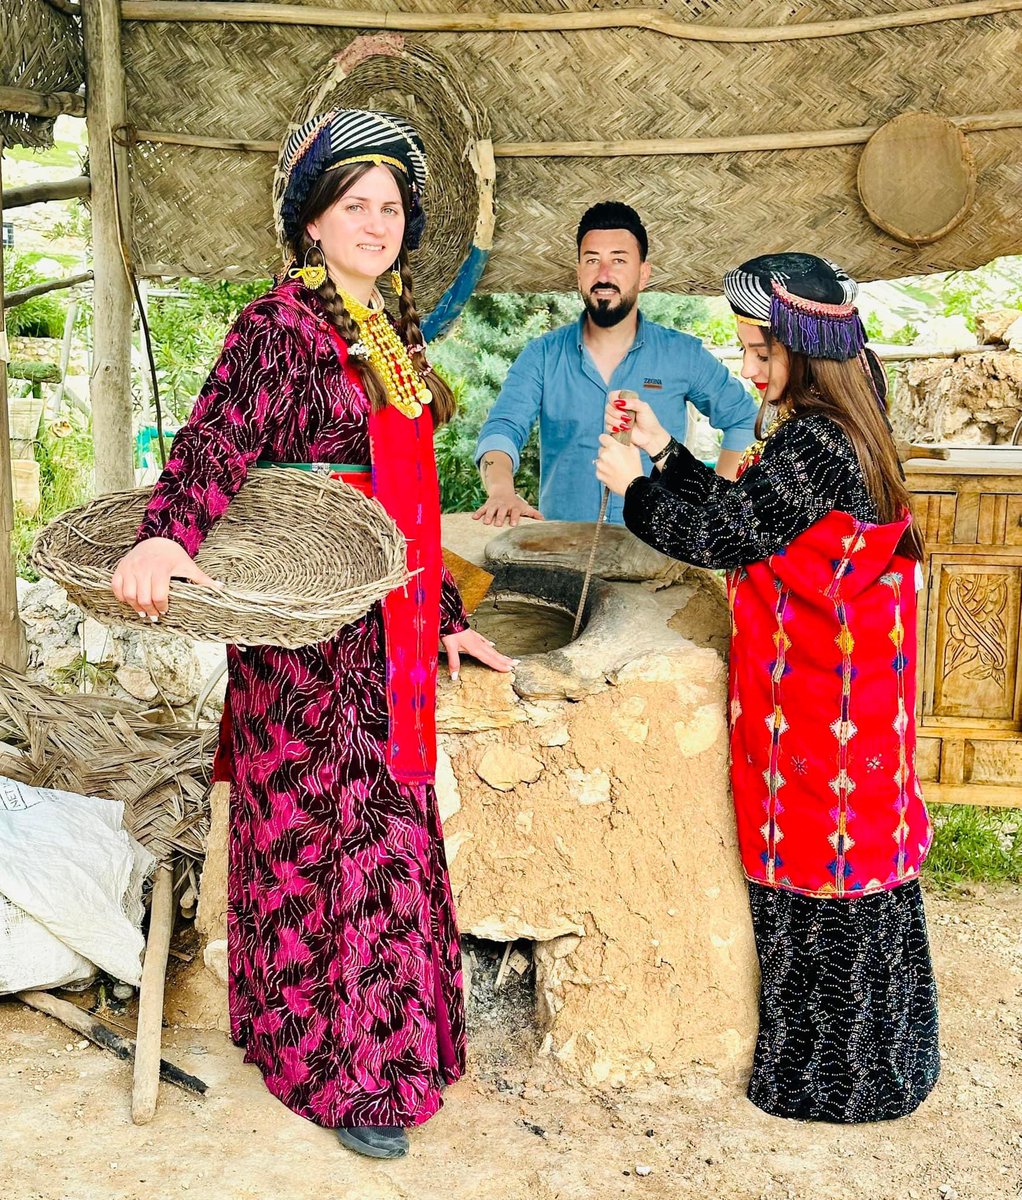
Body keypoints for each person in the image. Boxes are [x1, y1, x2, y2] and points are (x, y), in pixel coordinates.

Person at [110, 109, 514, 1159]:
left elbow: (409, 501)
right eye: (355, 206)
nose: (375, 223)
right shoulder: (277, 328)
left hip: (386, 635)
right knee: (315, 841)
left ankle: (381, 1058)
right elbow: (217, 442)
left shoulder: (395, 337)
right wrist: (164, 538)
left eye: (390, 209)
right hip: (303, 639)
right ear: (313, 224)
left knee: (378, 839)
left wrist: (446, 618)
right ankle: (343, 1076)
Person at [595, 252, 940, 1123]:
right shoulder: (844, 417)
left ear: (805, 346)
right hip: (855, 697)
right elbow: (757, 521)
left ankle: (838, 1086)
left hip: (824, 707)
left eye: (759, 351)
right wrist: (666, 450)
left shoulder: (816, 440)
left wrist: (636, 490)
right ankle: (887, 1065)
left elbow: (726, 538)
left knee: (823, 887)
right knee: (856, 874)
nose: (747, 369)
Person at [473, 201, 758, 527]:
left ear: (643, 273)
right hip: (565, 556)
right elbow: (502, 430)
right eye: (592, 260)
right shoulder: (543, 355)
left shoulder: (683, 354)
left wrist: (716, 503)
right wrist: (500, 490)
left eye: (619, 261)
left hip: (657, 557)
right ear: (579, 272)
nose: (603, 275)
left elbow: (744, 420)